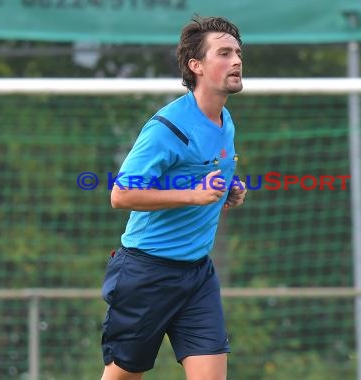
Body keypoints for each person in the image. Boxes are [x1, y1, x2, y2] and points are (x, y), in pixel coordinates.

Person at [100, 15, 247, 380]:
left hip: (197, 274)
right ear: (196, 66)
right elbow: (121, 195)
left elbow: (203, 173)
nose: (237, 61)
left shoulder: (224, 119)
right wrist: (192, 196)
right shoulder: (167, 127)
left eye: (238, 53)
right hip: (147, 273)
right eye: (224, 53)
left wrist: (228, 190)